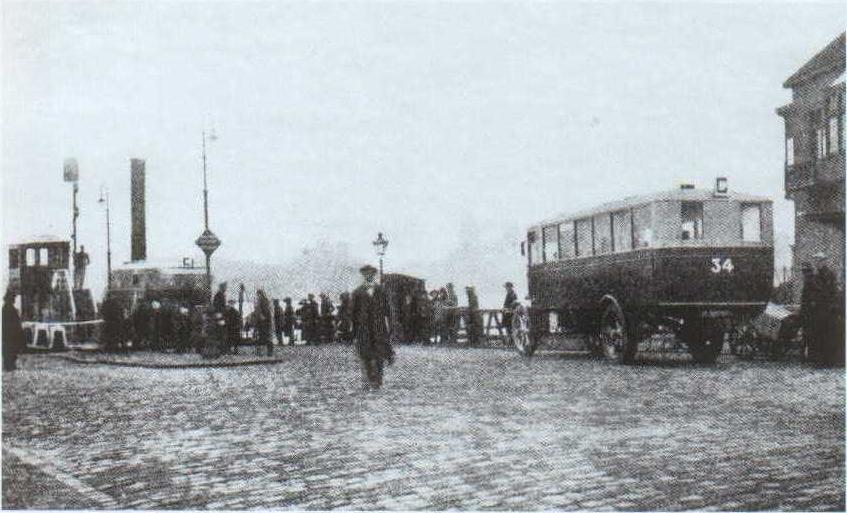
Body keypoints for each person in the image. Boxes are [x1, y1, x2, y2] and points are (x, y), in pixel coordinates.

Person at [351, 265, 394, 390]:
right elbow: (353, 313)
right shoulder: (357, 292)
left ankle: (378, 380)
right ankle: (370, 378)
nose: (368, 275)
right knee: (366, 354)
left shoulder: (381, 291)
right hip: (364, 329)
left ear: (374, 275)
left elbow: (388, 310)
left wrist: (390, 327)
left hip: (379, 327)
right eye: (366, 273)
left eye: (371, 273)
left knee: (379, 354)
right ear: (363, 275)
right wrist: (354, 331)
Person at [2, 289, 25, 371]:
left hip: (7, 333)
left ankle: (9, 365)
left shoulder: (5, 308)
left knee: (9, 349)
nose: (14, 299)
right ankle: (10, 365)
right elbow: (15, 322)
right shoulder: (10, 309)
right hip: (11, 333)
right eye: (13, 297)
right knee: (11, 349)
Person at [255, 289, 273, 356]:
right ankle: (263, 352)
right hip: (262, 322)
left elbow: (265, 311)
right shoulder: (262, 301)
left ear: (261, 294)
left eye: (258, 295)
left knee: (266, 337)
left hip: (264, 322)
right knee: (262, 337)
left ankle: (268, 352)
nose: (258, 296)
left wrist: (262, 316)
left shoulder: (264, 301)